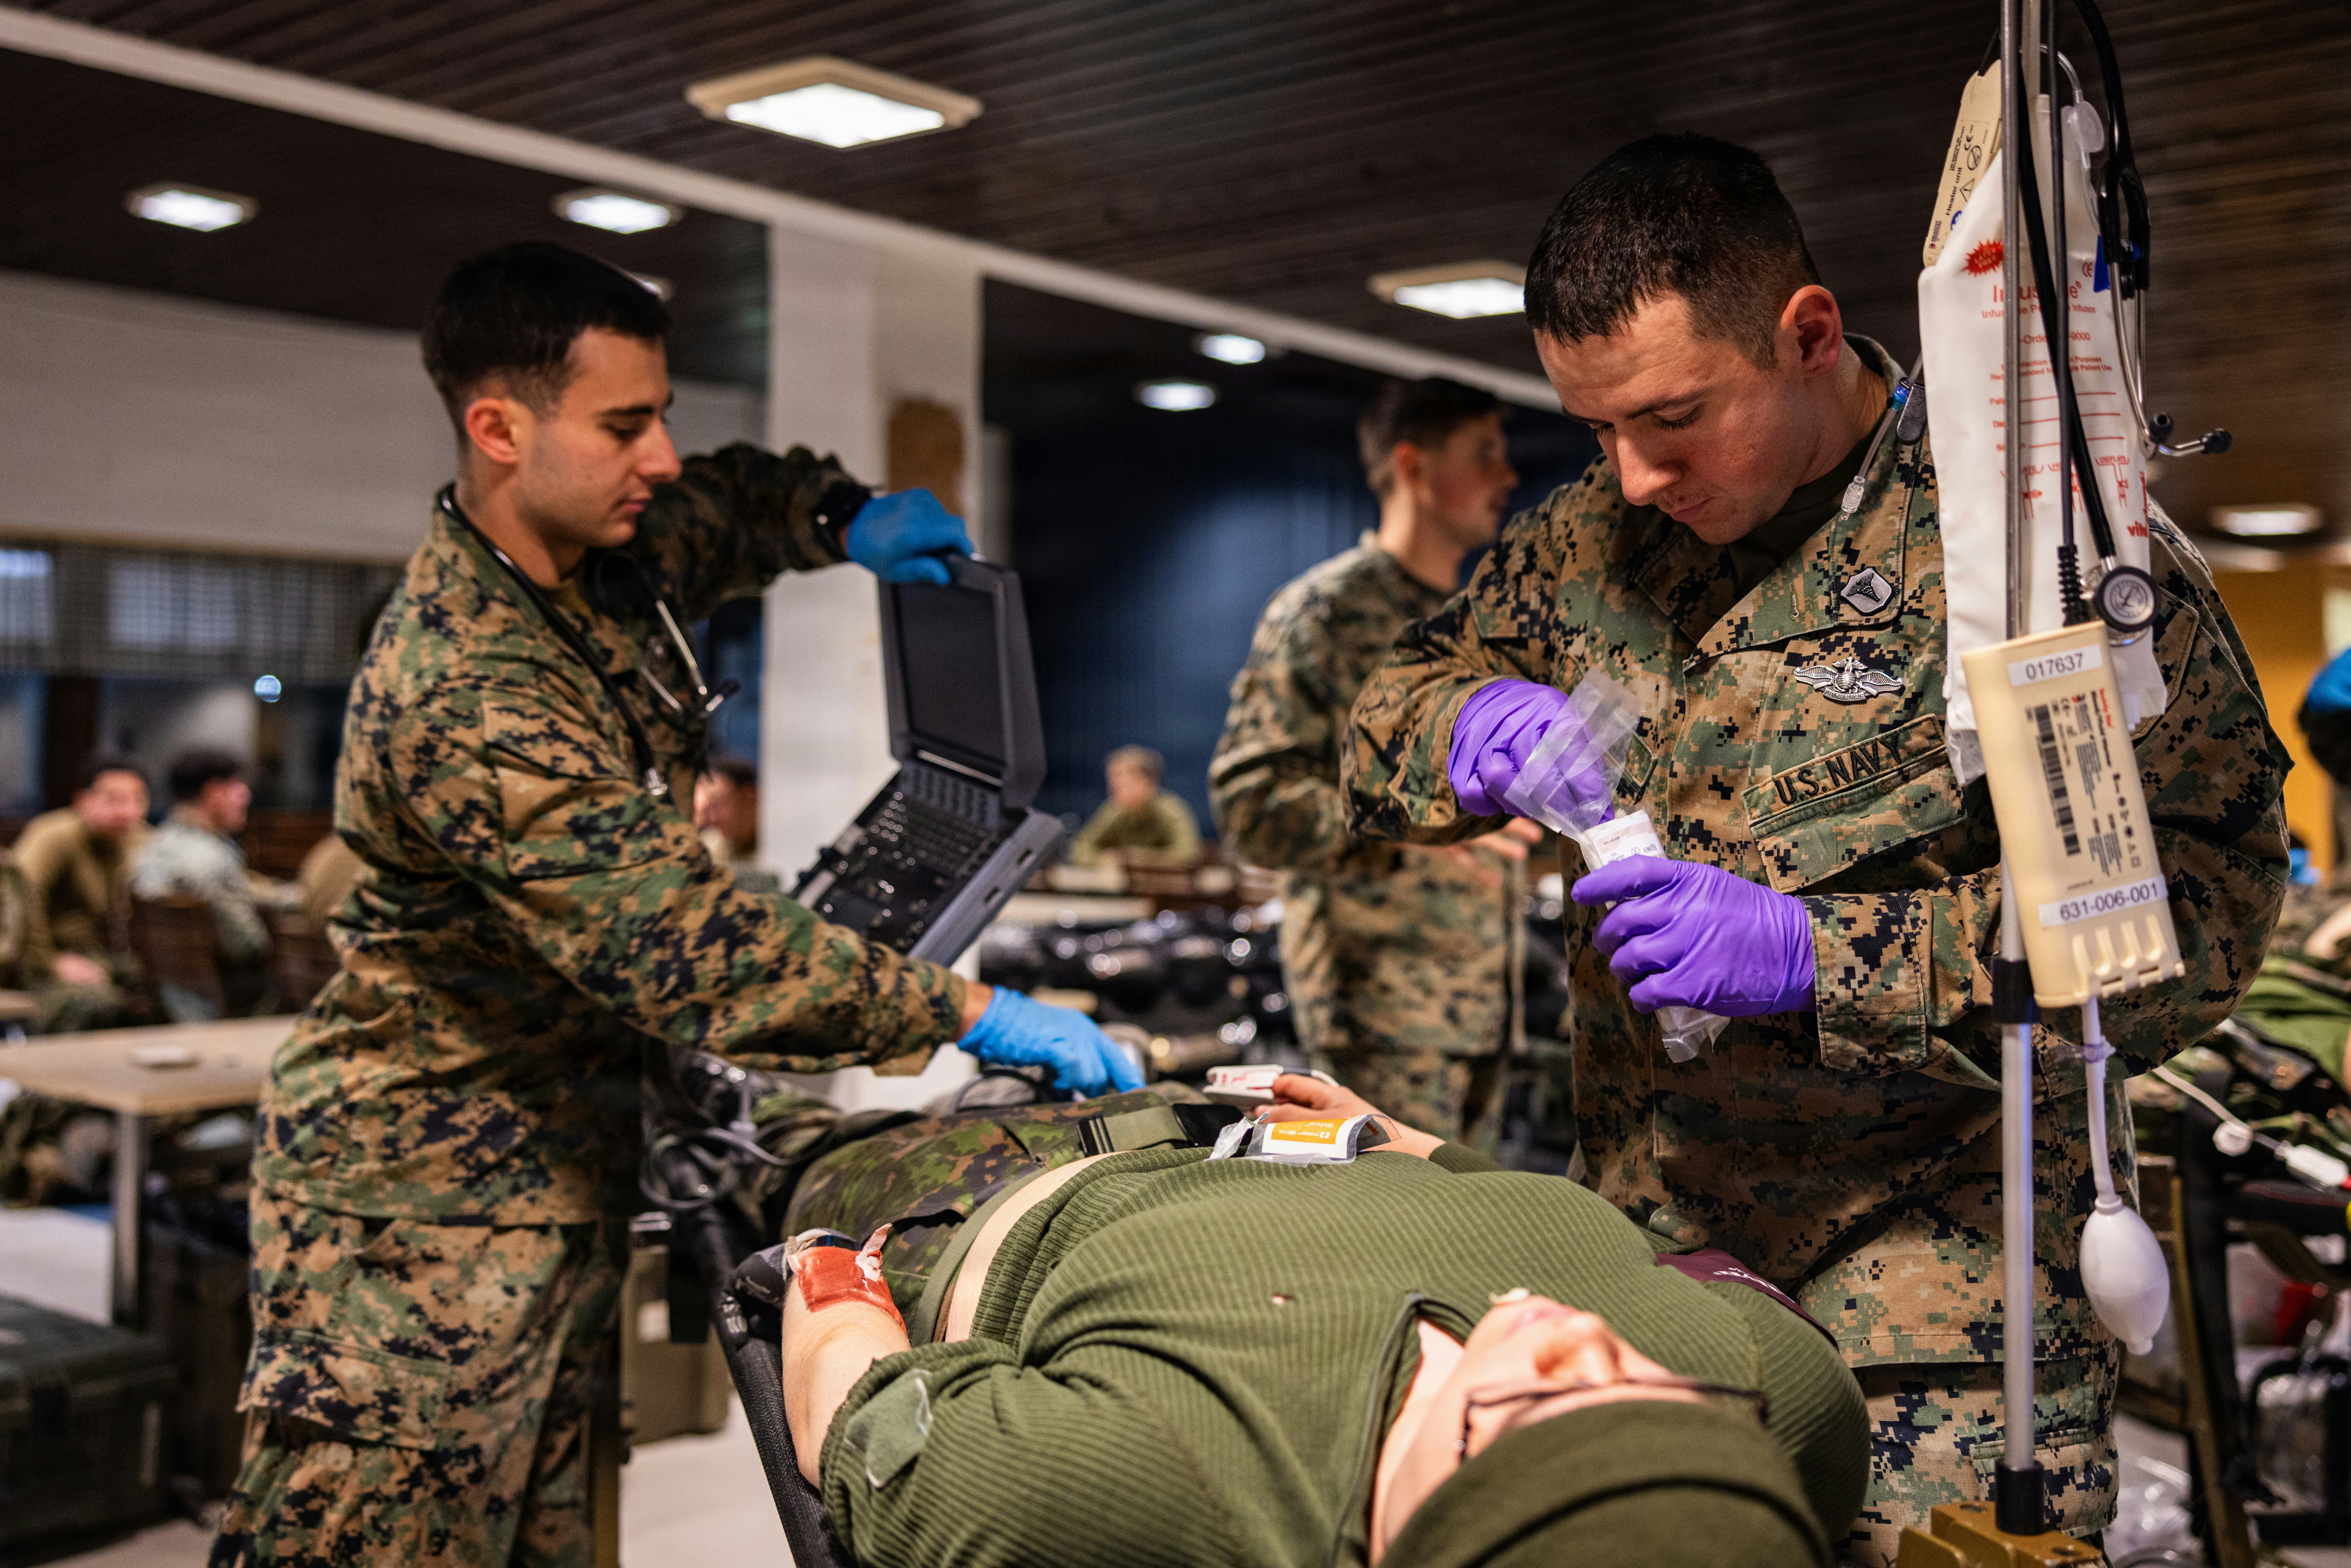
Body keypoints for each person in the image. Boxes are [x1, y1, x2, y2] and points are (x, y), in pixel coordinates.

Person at [1342, 135, 2288, 1562]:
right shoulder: (1584, 545)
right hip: (1645, 1284)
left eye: (1670, 418)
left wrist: (1819, 960)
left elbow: (2183, 925)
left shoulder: (2032, 560)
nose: (1634, 475)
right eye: (1593, 430)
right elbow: (1378, 714)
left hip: (1939, 1337)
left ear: (1806, 334)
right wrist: (1462, 720)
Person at [208, 241, 1139, 1568]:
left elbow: (730, 502)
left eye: (662, 417)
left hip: (559, 1172)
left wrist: (837, 515)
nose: (659, 458)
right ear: (497, 428)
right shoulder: (468, 683)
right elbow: (684, 950)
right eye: (625, 425)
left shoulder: (608, 560)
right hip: (415, 1219)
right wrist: (969, 1009)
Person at [770, 1074, 1867, 1568]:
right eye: (1652, 1393)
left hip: (983, 1191)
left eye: (1543, 1405)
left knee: (803, 1146)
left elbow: (854, 1413)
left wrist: (822, 1268)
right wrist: (1401, 1142)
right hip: (1272, 1130)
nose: (1571, 1332)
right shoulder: (1777, 1400)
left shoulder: (1155, 1492)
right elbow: (1684, 1281)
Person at [1210, 378, 1542, 1141]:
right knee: (1395, 1244)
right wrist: (1416, 822)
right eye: (1482, 453)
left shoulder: (1474, 626)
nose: (1507, 477)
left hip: (1481, 1006)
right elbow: (1249, 807)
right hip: (1376, 1006)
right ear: (1412, 466)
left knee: (1470, 1241)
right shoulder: (1322, 613)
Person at [132, 748, 272, 1022]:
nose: (247, 797)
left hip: (170, 996)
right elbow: (247, 944)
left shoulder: (152, 848)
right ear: (215, 792)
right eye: (239, 787)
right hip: (223, 1006)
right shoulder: (214, 864)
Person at [13, 754, 150, 1033]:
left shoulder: (141, 839)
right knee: (100, 1007)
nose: (126, 811)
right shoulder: (54, 835)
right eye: (113, 800)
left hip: (113, 959)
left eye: (136, 800)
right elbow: (18, 895)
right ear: (83, 801)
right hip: (49, 963)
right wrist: (51, 962)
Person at [1063, 744, 1203, 866]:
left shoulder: (1170, 810)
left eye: (1122, 778)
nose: (1114, 786)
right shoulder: (1114, 811)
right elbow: (1080, 848)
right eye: (1112, 779)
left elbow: (1189, 854)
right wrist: (1104, 861)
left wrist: (1140, 860)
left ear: (1147, 782)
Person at [693, 754, 776, 891]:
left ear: (751, 797)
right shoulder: (711, 847)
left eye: (717, 805)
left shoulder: (776, 847)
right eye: (705, 811)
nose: (710, 820)